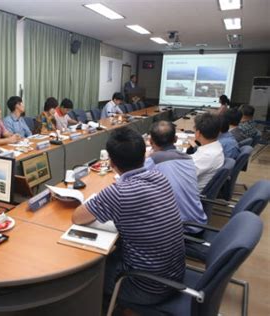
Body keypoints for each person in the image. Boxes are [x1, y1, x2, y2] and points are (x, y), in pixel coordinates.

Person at [72, 127, 185, 307]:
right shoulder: (159, 177)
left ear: (111, 162)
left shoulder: (119, 192)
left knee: (84, 274)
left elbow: (77, 218)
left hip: (146, 287)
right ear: (144, 154)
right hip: (173, 273)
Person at [145, 121, 207, 233]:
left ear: (150, 141)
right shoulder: (188, 159)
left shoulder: (153, 160)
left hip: (180, 229)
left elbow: (130, 182)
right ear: (175, 139)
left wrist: (149, 157)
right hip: (198, 221)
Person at [191, 113, 225, 192]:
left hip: (190, 194)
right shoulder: (215, 147)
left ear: (198, 133)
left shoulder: (207, 156)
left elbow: (181, 176)